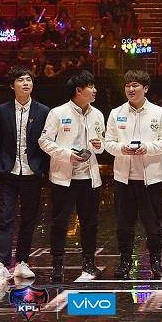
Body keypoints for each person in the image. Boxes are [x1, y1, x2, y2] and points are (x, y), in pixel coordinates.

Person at [38, 70, 106, 283]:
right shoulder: (57, 113)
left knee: (90, 223)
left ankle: (89, 262)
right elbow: (44, 141)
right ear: (78, 90)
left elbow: (102, 144)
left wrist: (100, 145)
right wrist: (68, 154)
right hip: (63, 178)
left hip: (90, 177)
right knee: (60, 223)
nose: (94, 90)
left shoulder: (98, 114)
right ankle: (57, 265)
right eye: (91, 86)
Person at [104, 70, 162, 280]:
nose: (131, 89)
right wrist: (122, 148)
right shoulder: (116, 113)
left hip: (151, 179)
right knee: (124, 224)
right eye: (127, 86)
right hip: (124, 179)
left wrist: (147, 148)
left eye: (135, 85)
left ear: (146, 88)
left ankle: (156, 261)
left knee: (153, 224)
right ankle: (125, 261)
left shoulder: (159, 113)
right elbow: (108, 143)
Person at [0, 66, 50, 283]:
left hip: (32, 172)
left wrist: (42, 168)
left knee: (28, 220)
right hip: (9, 171)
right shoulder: (2, 110)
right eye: (21, 80)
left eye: (28, 80)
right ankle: (1, 263)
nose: (26, 83)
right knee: (5, 218)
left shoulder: (43, 111)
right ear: (12, 85)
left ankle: (22, 262)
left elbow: (47, 142)